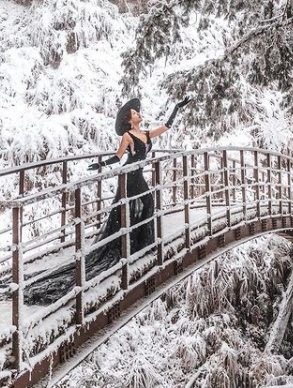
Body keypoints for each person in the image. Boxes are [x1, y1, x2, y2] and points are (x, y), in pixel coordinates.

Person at [24, 97, 190, 304]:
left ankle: (140, 243)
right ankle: (132, 244)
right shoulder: (128, 136)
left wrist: (176, 107)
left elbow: (166, 126)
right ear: (129, 120)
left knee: (147, 203)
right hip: (129, 176)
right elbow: (118, 157)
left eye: (138, 112)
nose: (139, 114)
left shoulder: (146, 134)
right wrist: (100, 164)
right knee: (137, 206)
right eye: (135, 113)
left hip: (138, 175)